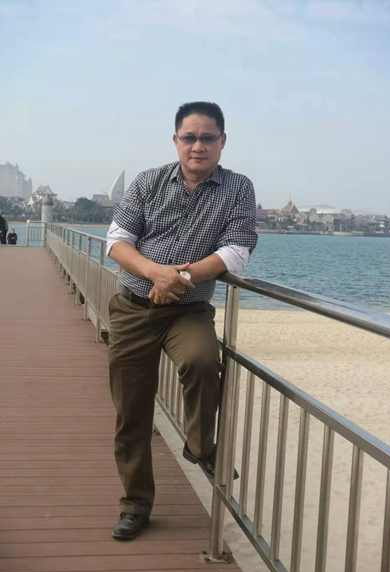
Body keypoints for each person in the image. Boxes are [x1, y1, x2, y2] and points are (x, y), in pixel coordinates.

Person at [107, 101, 258, 541]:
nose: (198, 146)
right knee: (131, 412)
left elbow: (236, 250)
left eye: (208, 138)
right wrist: (156, 273)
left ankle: (200, 444)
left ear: (222, 142)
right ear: (176, 141)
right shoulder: (149, 181)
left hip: (187, 310)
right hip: (133, 307)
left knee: (202, 361)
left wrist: (179, 279)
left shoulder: (238, 188)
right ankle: (135, 505)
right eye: (189, 137)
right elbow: (117, 242)